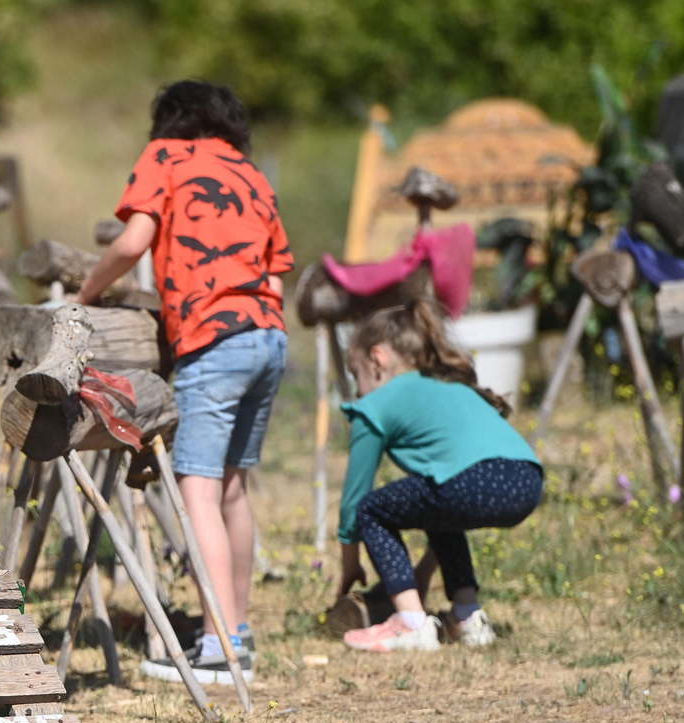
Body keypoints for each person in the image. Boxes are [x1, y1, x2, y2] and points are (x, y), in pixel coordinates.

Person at [76, 80, 293, 684]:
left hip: (214, 341)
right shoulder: (250, 173)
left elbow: (134, 241)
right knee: (231, 489)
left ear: (169, 122)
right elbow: (275, 279)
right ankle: (237, 632)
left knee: (197, 489)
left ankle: (220, 650)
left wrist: (86, 294)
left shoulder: (165, 157)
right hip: (270, 337)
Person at [336, 300, 544, 652]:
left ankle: (411, 623)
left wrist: (350, 565)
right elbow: (446, 506)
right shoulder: (448, 385)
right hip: (526, 478)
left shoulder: (374, 404)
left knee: (373, 508)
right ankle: (468, 617)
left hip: (470, 481)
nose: (358, 391)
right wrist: (424, 568)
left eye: (356, 374)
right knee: (435, 496)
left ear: (377, 359)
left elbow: (355, 502)